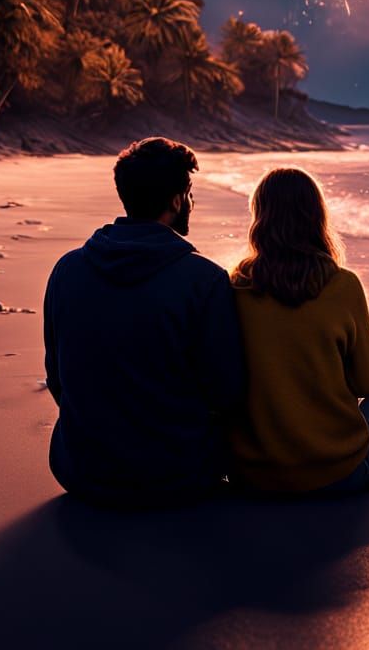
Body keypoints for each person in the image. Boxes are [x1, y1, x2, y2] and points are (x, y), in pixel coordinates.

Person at [43, 137, 245, 506]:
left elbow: (57, 378)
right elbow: (226, 392)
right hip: (177, 476)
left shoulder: (67, 269)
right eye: (189, 193)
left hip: (81, 470)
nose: (191, 202)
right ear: (177, 200)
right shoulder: (205, 280)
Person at [229, 167, 369, 494]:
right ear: (317, 218)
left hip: (253, 475)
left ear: (259, 218)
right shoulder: (343, 285)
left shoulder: (236, 286)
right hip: (338, 475)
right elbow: (367, 382)